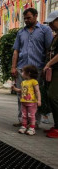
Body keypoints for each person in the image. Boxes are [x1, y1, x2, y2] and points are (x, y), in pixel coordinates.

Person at [11, 8, 53, 127]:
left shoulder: (45, 30)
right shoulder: (21, 32)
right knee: (21, 95)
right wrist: (13, 67)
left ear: (36, 16)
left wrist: (46, 66)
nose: (26, 20)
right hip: (22, 69)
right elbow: (16, 51)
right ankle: (22, 120)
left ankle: (34, 122)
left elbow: (49, 50)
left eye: (29, 18)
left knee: (35, 95)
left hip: (37, 69)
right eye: (24, 18)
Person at [11, 65, 41, 135]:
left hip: (32, 102)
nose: (21, 73)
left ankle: (32, 128)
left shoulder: (34, 81)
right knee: (24, 115)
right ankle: (23, 126)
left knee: (31, 115)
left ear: (29, 73)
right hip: (24, 102)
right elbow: (22, 91)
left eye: (23, 72)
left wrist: (39, 100)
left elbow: (37, 91)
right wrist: (15, 89)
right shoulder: (23, 82)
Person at [44, 10, 58, 138]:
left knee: (53, 96)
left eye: (51, 23)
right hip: (53, 70)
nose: (50, 26)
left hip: (56, 69)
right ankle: (56, 125)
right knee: (51, 97)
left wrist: (49, 64)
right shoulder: (56, 36)